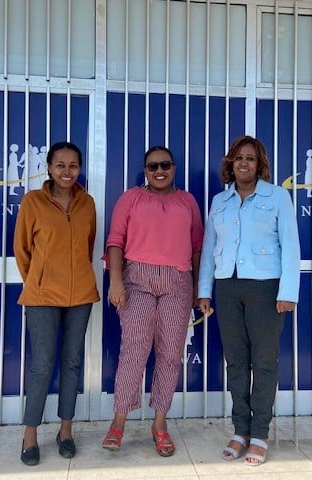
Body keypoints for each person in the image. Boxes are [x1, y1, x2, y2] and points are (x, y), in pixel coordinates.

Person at [197, 135, 300, 466]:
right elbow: (210, 250)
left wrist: (288, 292)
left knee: (265, 363)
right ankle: (240, 430)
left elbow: (291, 247)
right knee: (236, 362)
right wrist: (204, 290)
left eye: (251, 159)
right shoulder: (220, 202)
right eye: (238, 158)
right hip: (228, 289)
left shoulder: (278, 197)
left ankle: (260, 433)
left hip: (266, 290)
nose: (244, 163)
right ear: (230, 163)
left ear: (260, 165)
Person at [100, 146, 203, 457]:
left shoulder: (187, 201)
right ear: (144, 170)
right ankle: (118, 423)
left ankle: (160, 424)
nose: (160, 170)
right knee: (134, 349)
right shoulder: (130, 198)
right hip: (137, 280)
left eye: (166, 165)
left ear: (174, 167)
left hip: (178, 281)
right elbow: (115, 241)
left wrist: (200, 288)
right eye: (152, 166)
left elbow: (197, 245)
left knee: (171, 353)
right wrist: (116, 281)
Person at [14, 141, 99, 466]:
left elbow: (88, 247)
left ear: (79, 168)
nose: (67, 171)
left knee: (72, 363)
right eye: (60, 165)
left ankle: (66, 431)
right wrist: (37, 280)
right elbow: (22, 250)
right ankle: (30, 434)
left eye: (73, 165)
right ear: (49, 168)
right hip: (42, 296)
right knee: (42, 365)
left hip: (81, 297)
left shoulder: (87, 203)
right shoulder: (33, 201)